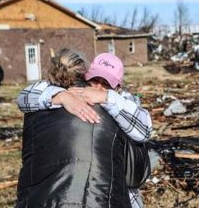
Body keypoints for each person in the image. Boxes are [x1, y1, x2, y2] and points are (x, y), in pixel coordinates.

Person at [17, 52, 152, 208]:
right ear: (87, 76)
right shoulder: (72, 92)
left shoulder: (125, 101)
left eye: (106, 84)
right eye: (95, 80)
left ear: (118, 86)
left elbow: (145, 130)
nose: (99, 87)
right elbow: (24, 98)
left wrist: (106, 98)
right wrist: (61, 96)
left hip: (120, 192)